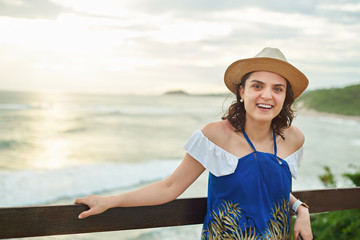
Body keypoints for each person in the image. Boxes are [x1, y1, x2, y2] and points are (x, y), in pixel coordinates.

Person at [74, 47, 313, 240]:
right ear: (242, 92)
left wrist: (300, 209)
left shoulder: (293, 139)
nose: (267, 96)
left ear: (285, 98)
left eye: (277, 89)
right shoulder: (215, 136)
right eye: (257, 86)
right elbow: (170, 187)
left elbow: (268, 187)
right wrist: (111, 200)